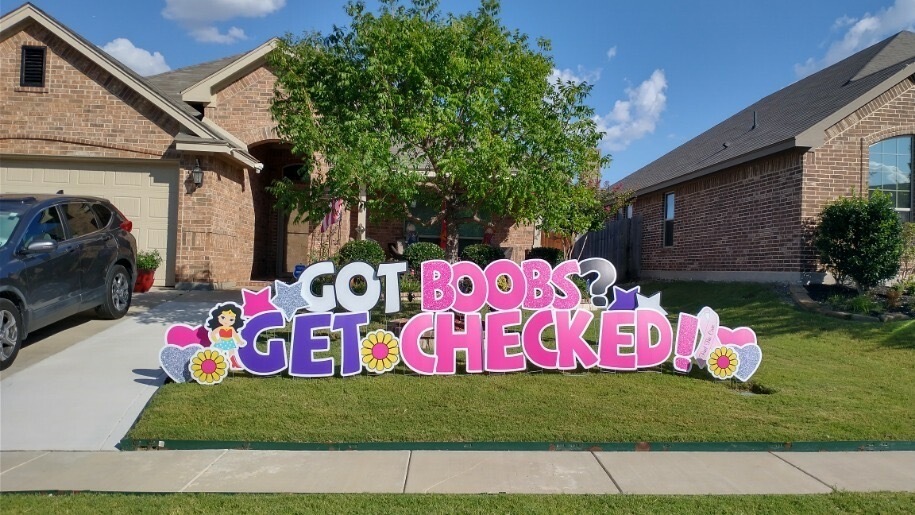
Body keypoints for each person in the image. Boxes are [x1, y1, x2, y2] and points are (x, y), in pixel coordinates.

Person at [207, 302, 245, 370]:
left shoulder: (231, 329)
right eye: (223, 317)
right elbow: (212, 334)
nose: (226, 321)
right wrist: (216, 340)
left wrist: (239, 341)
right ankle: (216, 364)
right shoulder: (220, 328)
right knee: (218, 352)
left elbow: (235, 335)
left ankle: (234, 364)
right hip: (221, 342)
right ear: (217, 316)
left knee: (232, 353)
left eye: (231, 319)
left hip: (230, 342)